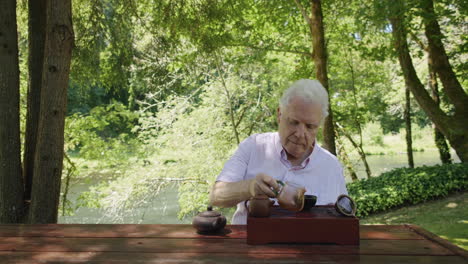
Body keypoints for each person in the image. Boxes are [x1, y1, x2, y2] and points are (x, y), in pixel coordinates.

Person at [210, 79, 348, 224]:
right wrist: (250, 187)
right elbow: (216, 196)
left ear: (319, 125)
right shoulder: (254, 146)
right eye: (293, 122)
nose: (300, 133)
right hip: (251, 243)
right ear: (279, 114)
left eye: (310, 126)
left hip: (309, 245)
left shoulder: (331, 165)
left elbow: (343, 218)